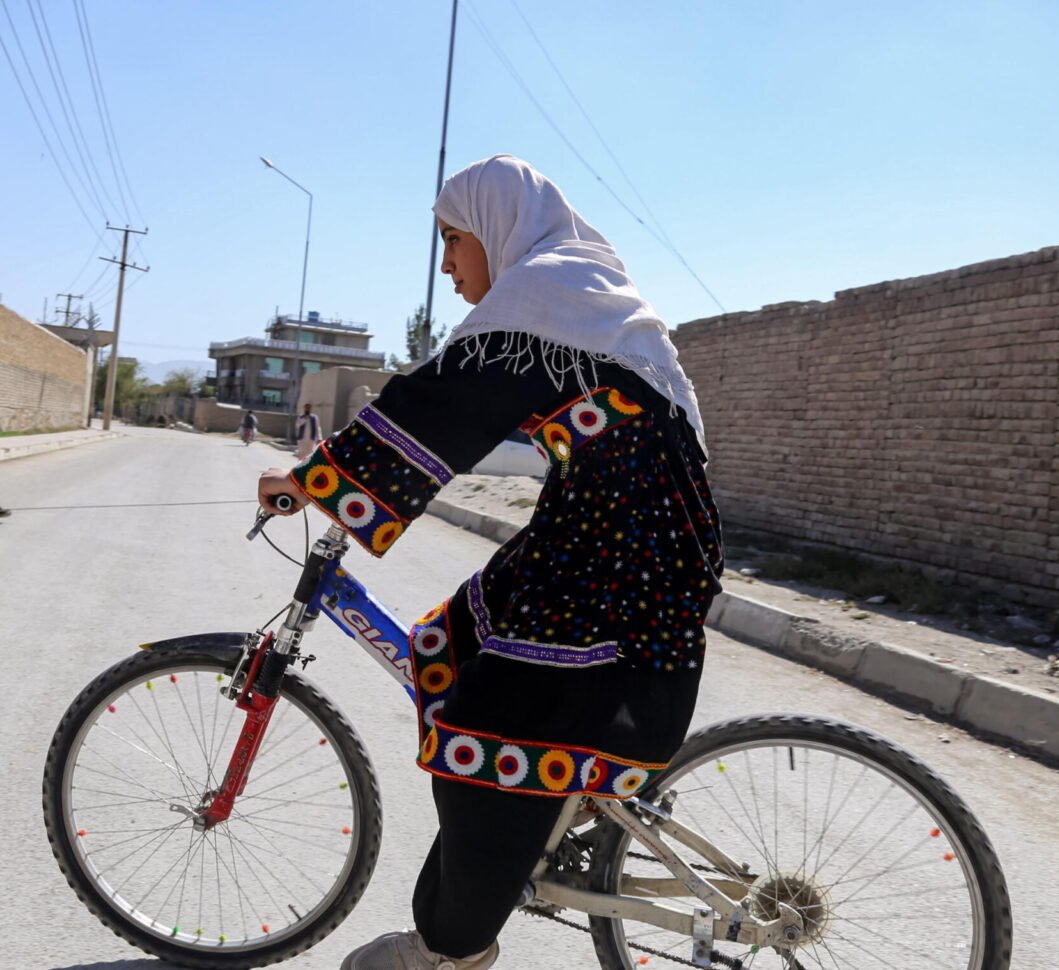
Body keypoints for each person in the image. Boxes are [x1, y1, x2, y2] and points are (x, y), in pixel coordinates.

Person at [257, 155, 723, 970]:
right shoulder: (581, 296)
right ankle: (542, 817)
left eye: (451, 239)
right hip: (612, 538)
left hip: (619, 557)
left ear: (495, 227)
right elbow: (472, 412)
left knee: (491, 724)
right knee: (451, 643)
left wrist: (311, 482)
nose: (446, 265)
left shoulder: (544, 296)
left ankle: (450, 948)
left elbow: (443, 405)